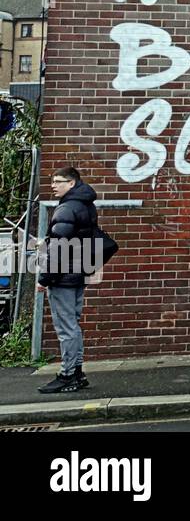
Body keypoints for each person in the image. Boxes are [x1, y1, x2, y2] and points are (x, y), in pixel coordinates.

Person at [36, 167, 99, 393]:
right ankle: (77, 372)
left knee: (65, 328)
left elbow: (58, 248)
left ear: (71, 183)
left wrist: (44, 278)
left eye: (58, 181)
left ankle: (68, 374)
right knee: (73, 324)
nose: (53, 185)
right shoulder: (86, 206)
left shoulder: (66, 209)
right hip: (78, 274)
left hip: (62, 277)